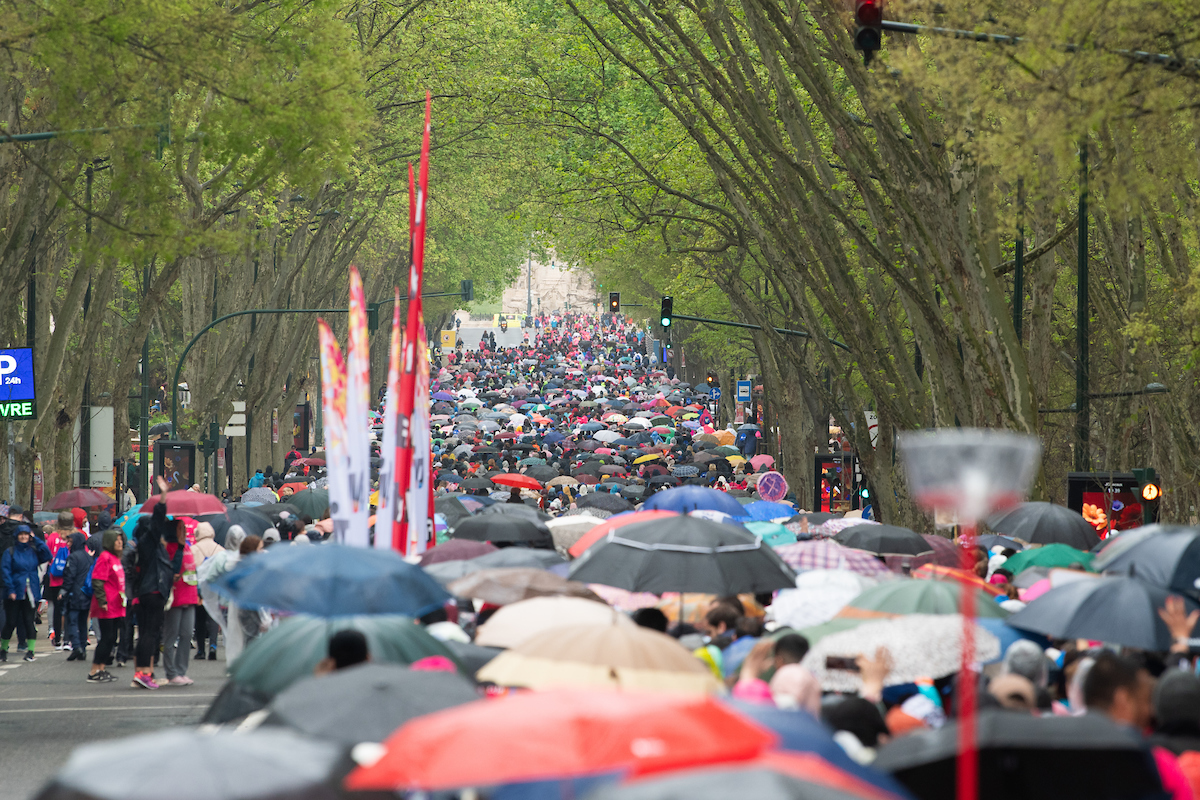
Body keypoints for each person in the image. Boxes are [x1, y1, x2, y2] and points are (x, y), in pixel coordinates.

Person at [128, 476, 185, 690]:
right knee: (150, 634)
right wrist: (163, 497)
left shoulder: (146, 547)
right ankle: (144, 672)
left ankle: (142, 672)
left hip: (146, 591)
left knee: (146, 633)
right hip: (153, 592)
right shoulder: (149, 543)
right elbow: (157, 521)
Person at [0, 522, 52, 660]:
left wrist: (36, 539)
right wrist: (10, 589)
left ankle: (31, 651)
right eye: (21, 534)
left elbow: (47, 554)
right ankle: (3, 649)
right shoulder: (10, 552)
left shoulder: (33, 551)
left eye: (26, 534)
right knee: (11, 622)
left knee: (29, 622)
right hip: (14, 591)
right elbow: (6, 571)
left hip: (31, 592)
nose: (23, 537)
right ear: (16, 536)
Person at [161, 523, 200, 686]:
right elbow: (170, 569)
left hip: (190, 596)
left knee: (187, 635)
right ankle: (171, 673)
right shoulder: (169, 548)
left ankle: (181, 671)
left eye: (184, 529)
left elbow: (193, 571)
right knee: (171, 636)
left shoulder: (187, 547)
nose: (183, 532)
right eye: (180, 529)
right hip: (175, 597)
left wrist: (198, 593)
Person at [88, 530, 126, 683]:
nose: (120, 542)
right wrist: (102, 600)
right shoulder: (105, 557)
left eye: (121, 539)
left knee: (112, 638)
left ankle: (101, 669)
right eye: (116, 540)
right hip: (107, 604)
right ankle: (94, 671)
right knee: (106, 638)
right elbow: (97, 580)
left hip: (117, 604)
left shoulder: (116, 558)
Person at [190, 521, 222, 661]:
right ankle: (213, 646)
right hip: (215, 588)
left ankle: (201, 650)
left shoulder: (193, 549)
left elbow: (190, 570)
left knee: (200, 619)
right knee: (213, 617)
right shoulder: (220, 549)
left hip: (199, 588)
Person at [60, 532, 92, 661]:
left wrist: (64, 590)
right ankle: (82, 648)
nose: (68, 544)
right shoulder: (88, 557)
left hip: (74, 594)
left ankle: (76, 646)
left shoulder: (73, 557)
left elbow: (70, 576)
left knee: (72, 621)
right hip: (86, 593)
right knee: (83, 623)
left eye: (70, 542)